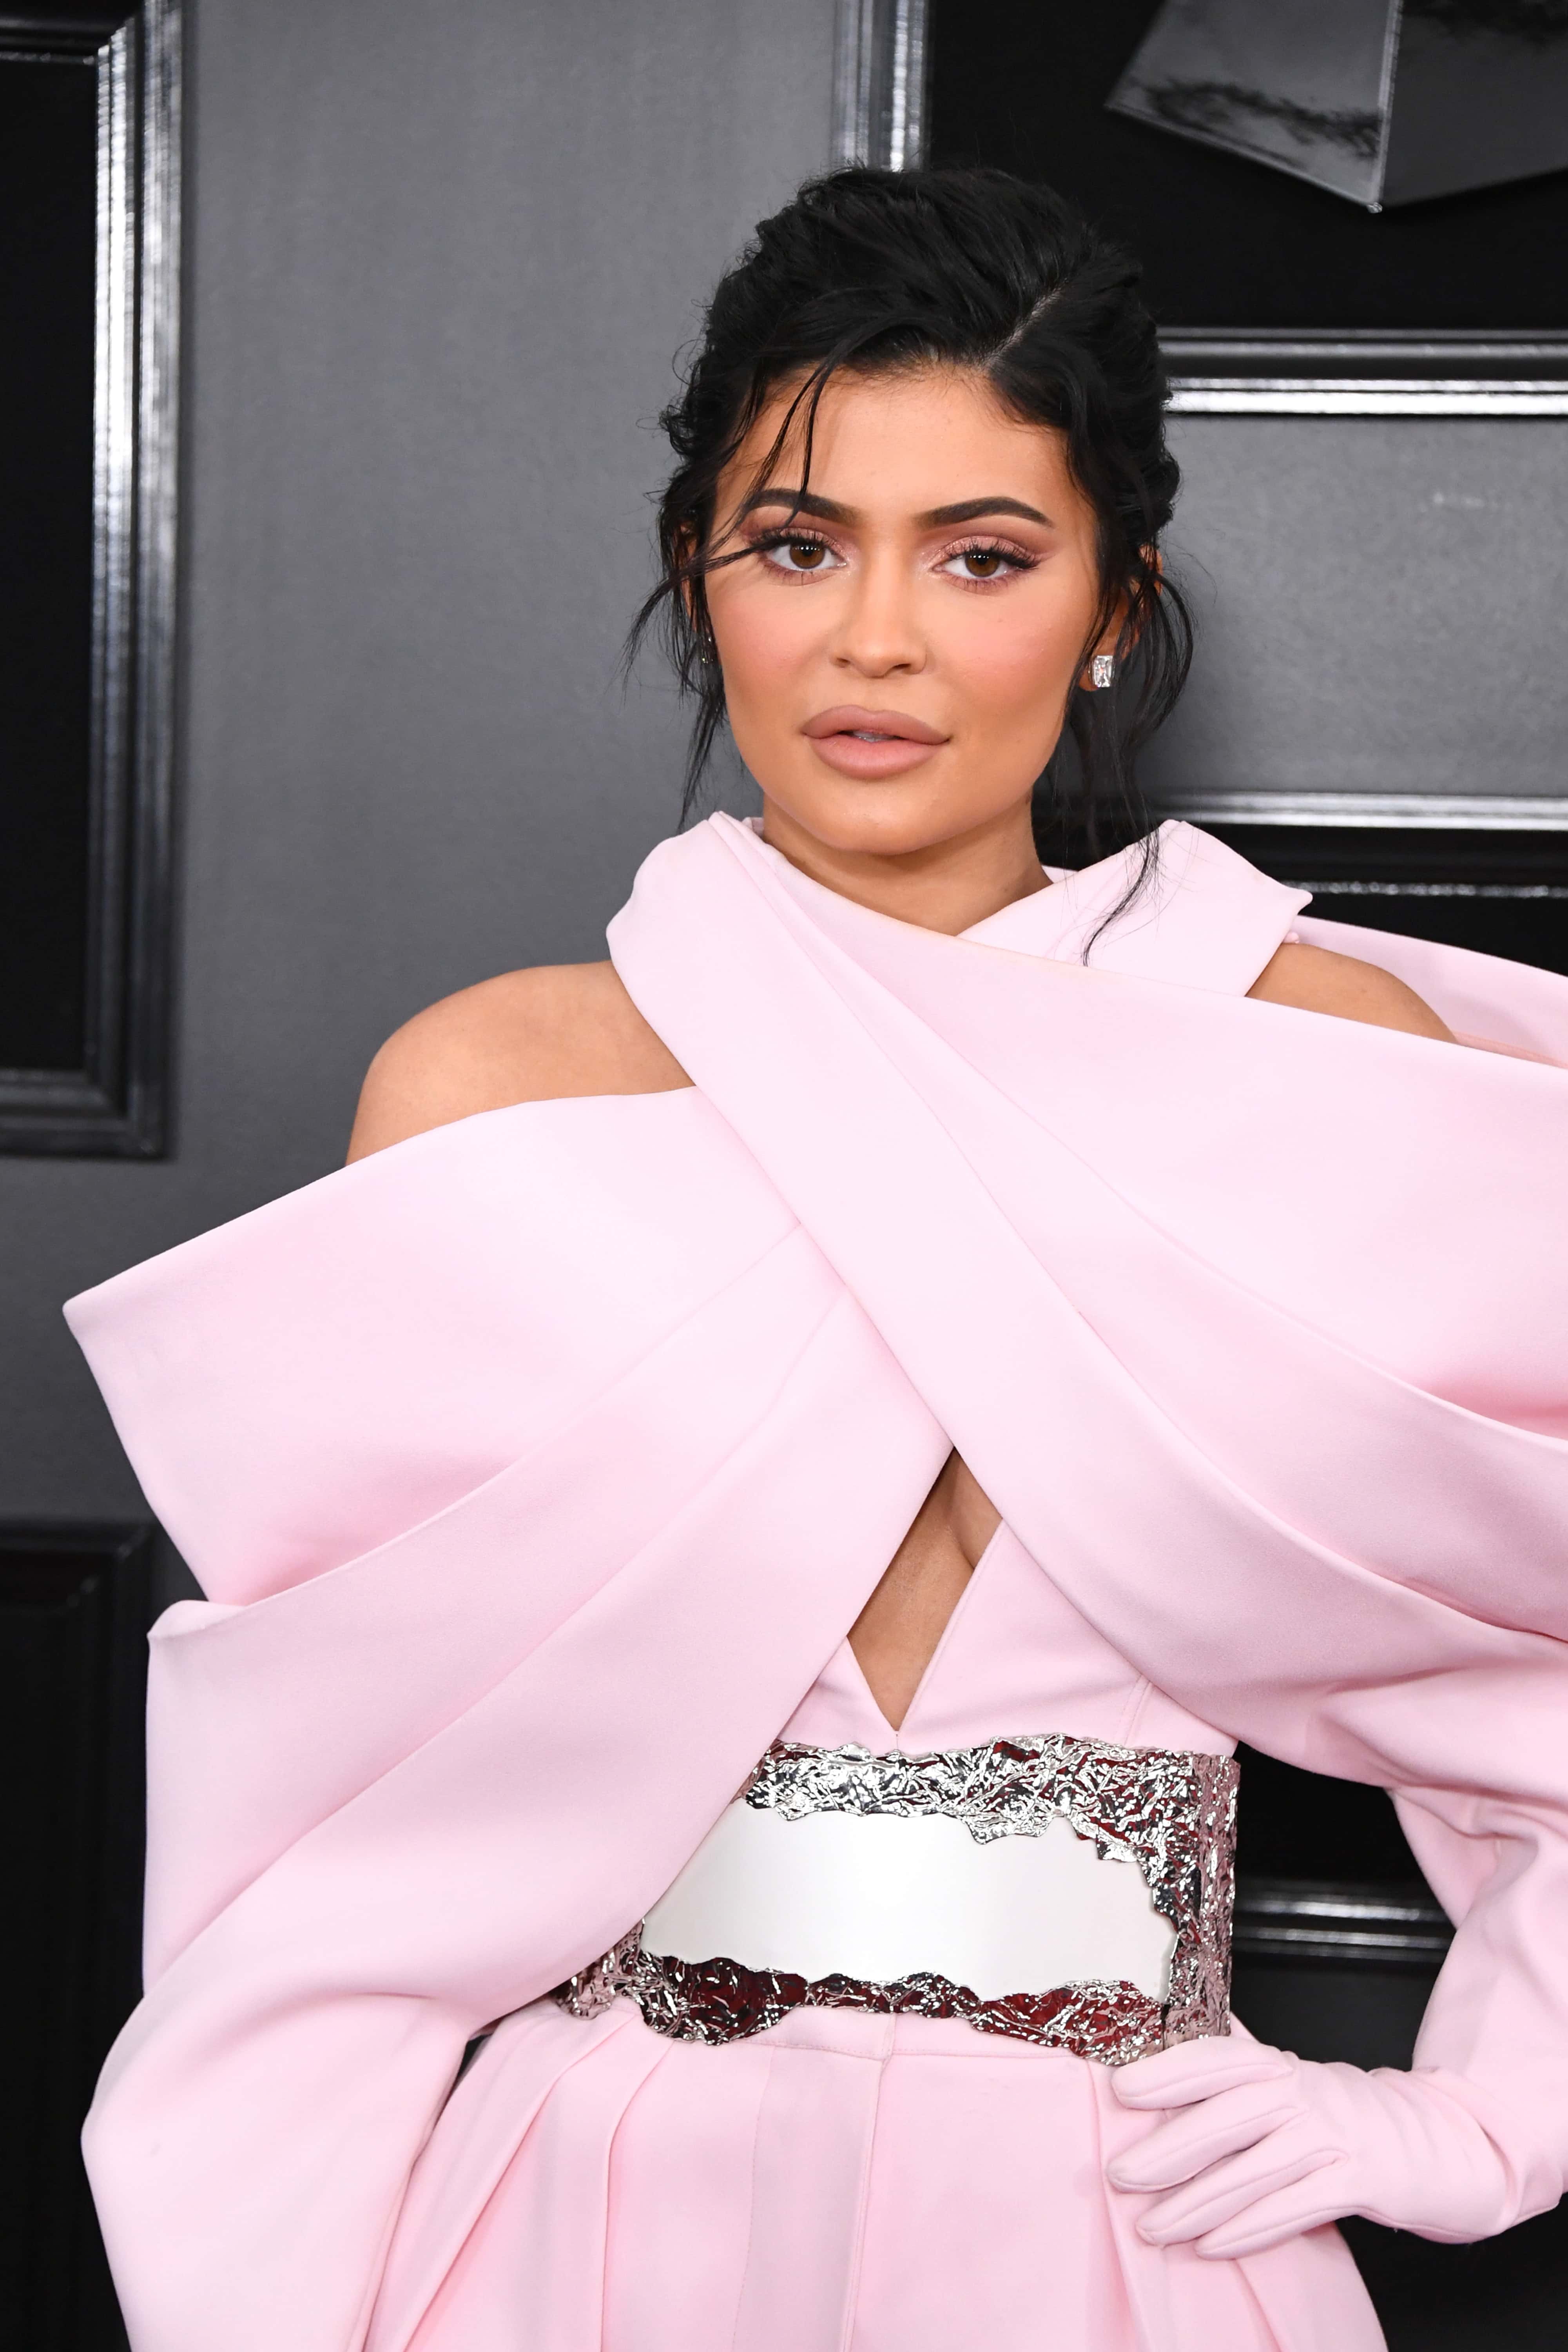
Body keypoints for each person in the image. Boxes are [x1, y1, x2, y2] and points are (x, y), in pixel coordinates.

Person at [67, 169, 1568, 2352]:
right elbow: (320, 1861)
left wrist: (1486, 2123)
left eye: (982, 556)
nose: (876, 637)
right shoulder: (493, 1092)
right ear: (701, 575)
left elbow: (1539, 1666)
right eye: (797, 545)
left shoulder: (1319, 1070)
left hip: (1130, 2232)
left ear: (1115, 604)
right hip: (581, 2228)